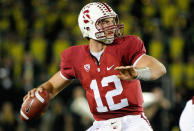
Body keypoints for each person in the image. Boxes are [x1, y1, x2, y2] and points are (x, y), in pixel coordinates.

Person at [23, 2, 166, 131]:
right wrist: (40, 91)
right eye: (104, 22)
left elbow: (159, 69)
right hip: (101, 125)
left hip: (132, 122)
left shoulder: (126, 45)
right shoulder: (75, 56)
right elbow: (52, 88)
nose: (111, 26)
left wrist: (137, 73)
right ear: (88, 25)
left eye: (112, 21)